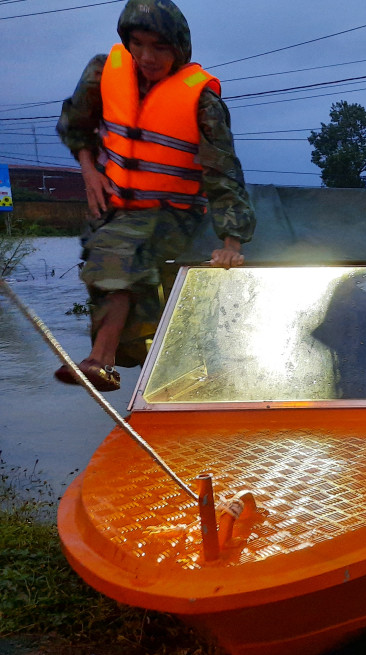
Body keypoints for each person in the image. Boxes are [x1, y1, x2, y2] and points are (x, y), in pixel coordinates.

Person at [54, 0, 255, 392]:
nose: (147, 57)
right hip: (114, 206)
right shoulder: (102, 73)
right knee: (111, 272)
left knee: (121, 251)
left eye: (160, 47)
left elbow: (224, 174)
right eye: (138, 44)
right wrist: (89, 172)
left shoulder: (203, 100)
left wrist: (231, 242)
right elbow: (75, 124)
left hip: (175, 211)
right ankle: (146, 371)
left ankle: (101, 359)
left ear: (179, 48)